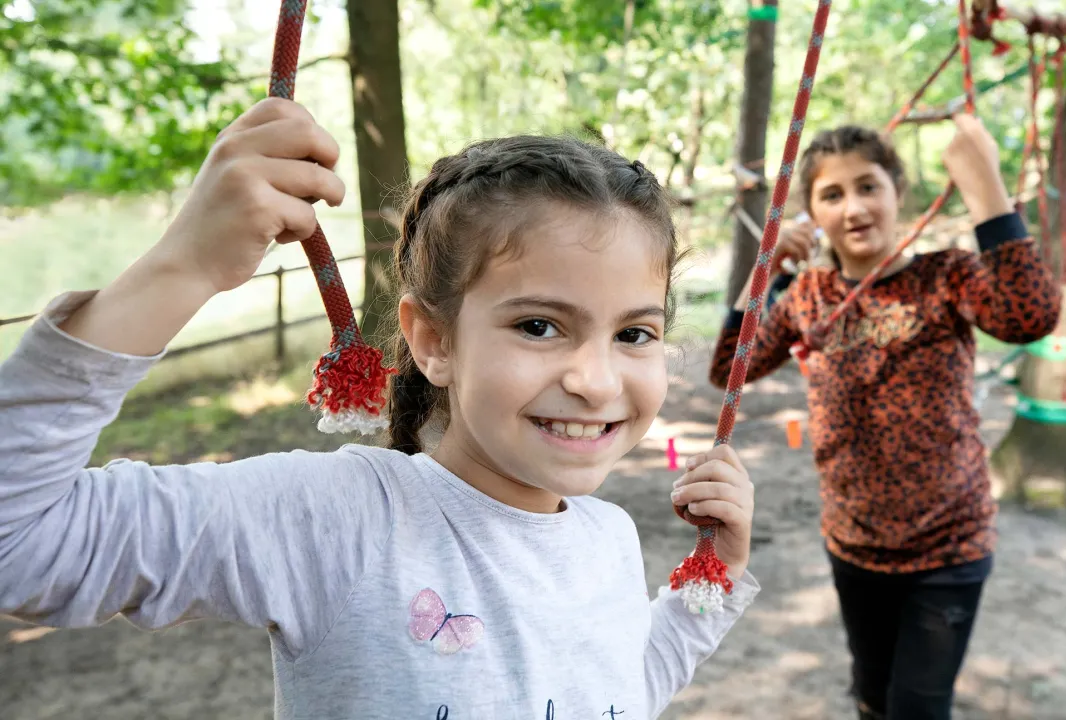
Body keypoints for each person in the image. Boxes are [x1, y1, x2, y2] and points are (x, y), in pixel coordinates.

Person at [0, 97, 760, 719]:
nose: (596, 381)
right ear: (433, 340)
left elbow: (612, 694)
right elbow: (21, 541)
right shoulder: (343, 521)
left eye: (634, 333)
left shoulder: (608, 537)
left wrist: (713, 581)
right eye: (538, 325)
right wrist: (185, 264)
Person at [710, 114, 1061, 719]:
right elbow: (726, 370)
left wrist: (987, 191)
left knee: (918, 708)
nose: (853, 207)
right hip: (853, 543)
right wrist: (765, 271)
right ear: (814, 215)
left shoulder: (945, 276)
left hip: (948, 548)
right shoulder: (809, 297)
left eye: (868, 186)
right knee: (872, 697)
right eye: (832, 194)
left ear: (899, 191)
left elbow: (1029, 317)